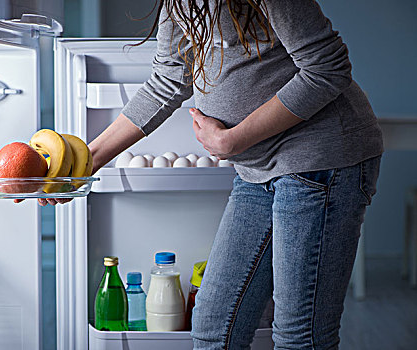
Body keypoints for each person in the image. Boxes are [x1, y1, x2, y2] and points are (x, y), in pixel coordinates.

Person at [47, 1, 384, 349]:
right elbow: (170, 78)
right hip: (256, 170)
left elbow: (326, 68)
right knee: (213, 326)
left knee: (301, 337)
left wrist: (234, 139)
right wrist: (84, 164)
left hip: (319, 161)